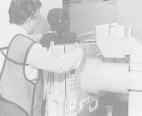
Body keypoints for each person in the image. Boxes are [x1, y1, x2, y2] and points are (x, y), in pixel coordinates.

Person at [0, 0, 84, 116]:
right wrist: (79, 52)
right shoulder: (30, 48)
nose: (39, 22)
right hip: (23, 111)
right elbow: (58, 65)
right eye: (38, 19)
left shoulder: (4, 37)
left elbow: (17, 47)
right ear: (29, 21)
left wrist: (40, 36)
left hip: (4, 106)